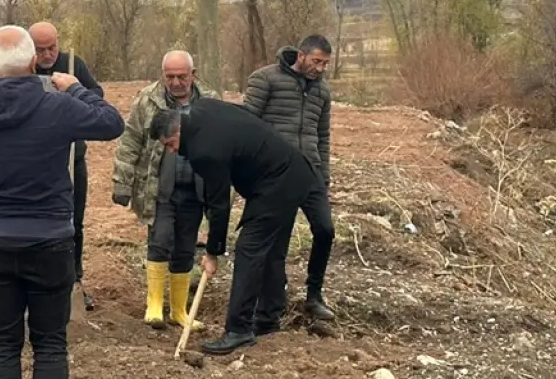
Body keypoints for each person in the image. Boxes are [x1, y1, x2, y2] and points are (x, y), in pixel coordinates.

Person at [0, 25, 125, 379]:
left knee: (2, 343)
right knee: (50, 343)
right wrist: (78, 90)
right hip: (49, 237)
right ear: (34, 62)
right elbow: (111, 123)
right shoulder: (58, 107)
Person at [148, 99, 331, 356]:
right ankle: (268, 319)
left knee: (249, 250)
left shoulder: (203, 150)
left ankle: (239, 329)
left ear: (177, 131)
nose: (171, 151)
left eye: (170, 144)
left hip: (276, 181)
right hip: (293, 169)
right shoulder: (204, 107)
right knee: (271, 249)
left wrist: (213, 252)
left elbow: (219, 204)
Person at [110, 50, 215, 330]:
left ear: (194, 74)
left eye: (182, 76)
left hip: (195, 189)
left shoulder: (210, 102)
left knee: (185, 247)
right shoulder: (148, 100)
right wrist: (122, 182)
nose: (176, 82)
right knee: (160, 240)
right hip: (159, 188)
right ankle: (154, 304)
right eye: (170, 76)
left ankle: (179, 311)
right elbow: (130, 141)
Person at [242, 35, 337, 330]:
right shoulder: (266, 79)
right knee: (276, 244)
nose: (320, 69)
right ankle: (268, 314)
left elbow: (322, 136)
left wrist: (323, 174)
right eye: (317, 61)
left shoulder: (322, 91)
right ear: (302, 55)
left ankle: (314, 294)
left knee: (325, 229)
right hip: (276, 174)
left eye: (325, 64)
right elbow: (247, 124)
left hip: (310, 173)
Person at [27, 21, 104, 312]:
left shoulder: (73, 65)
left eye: (52, 48)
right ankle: (39, 283)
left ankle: (74, 281)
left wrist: (73, 93)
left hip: (72, 158)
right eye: (40, 49)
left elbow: (97, 96)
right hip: (36, 161)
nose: (47, 55)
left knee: (74, 222)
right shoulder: (25, 69)